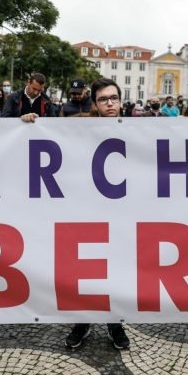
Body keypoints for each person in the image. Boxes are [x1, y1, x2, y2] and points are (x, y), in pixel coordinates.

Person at [65, 77, 130, 351]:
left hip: (122, 213)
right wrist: (29, 121)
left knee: (115, 270)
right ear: (95, 103)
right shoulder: (80, 129)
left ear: (121, 101)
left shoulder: (141, 130)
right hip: (88, 211)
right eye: (103, 99)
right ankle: (83, 321)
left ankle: (115, 323)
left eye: (114, 98)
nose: (110, 104)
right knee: (86, 270)